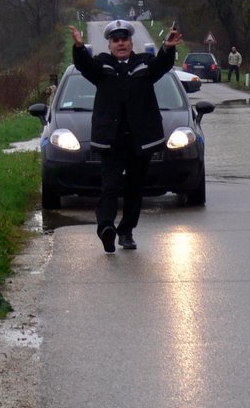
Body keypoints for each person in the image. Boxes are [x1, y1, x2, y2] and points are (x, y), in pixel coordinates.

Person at [70, 18, 184, 253]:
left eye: (124, 39)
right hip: (111, 140)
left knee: (134, 188)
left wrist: (168, 48)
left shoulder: (144, 64)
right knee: (110, 186)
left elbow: (161, 66)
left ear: (131, 43)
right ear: (110, 45)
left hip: (140, 139)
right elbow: (85, 66)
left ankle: (126, 231)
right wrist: (80, 48)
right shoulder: (102, 65)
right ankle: (106, 229)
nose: (121, 44)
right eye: (116, 40)